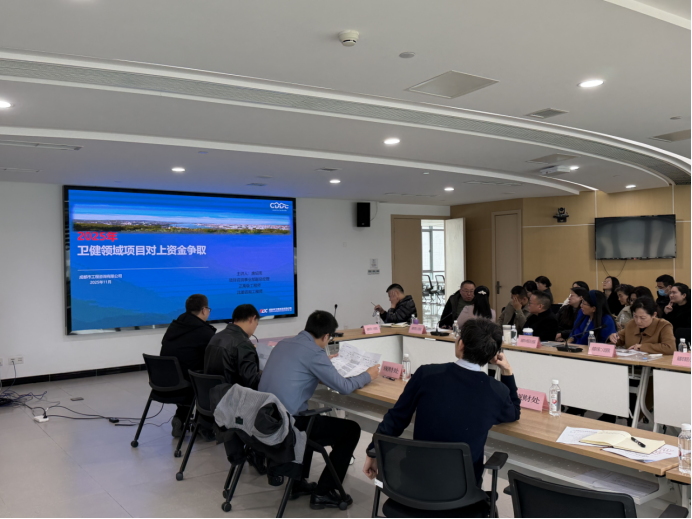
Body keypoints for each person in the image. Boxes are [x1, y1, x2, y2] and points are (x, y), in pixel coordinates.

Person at [362, 318, 520, 486]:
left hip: (413, 484)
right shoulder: (497, 391)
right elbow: (514, 413)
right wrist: (507, 371)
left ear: (461, 344)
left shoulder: (426, 374)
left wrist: (373, 451)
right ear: (492, 355)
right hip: (464, 490)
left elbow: (395, 419)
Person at [259, 311, 380, 510]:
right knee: (351, 430)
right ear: (326, 337)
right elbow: (344, 387)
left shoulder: (284, 344)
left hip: (267, 420)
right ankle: (324, 492)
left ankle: (297, 483)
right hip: (290, 425)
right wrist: (368, 375)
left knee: (309, 417)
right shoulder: (314, 353)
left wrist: (324, 363)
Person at [160, 294, 217, 438]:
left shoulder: (175, 325)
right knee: (211, 377)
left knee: (189, 370)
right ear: (204, 310)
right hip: (186, 384)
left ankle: (181, 418)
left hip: (163, 380)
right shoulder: (204, 331)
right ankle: (204, 426)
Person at [204, 304, 262, 390]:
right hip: (232, 395)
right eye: (256, 324)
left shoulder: (215, 337)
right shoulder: (243, 344)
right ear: (252, 318)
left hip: (212, 394)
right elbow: (253, 383)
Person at [609, 297, 676, 355]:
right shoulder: (631, 324)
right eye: (635, 316)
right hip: (631, 362)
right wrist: (613, 338)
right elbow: (619, 338)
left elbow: (670, 348)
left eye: (643, 318)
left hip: (654, 364)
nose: (638, 321)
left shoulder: (663, 325)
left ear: (654, 315)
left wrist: (642, 347)